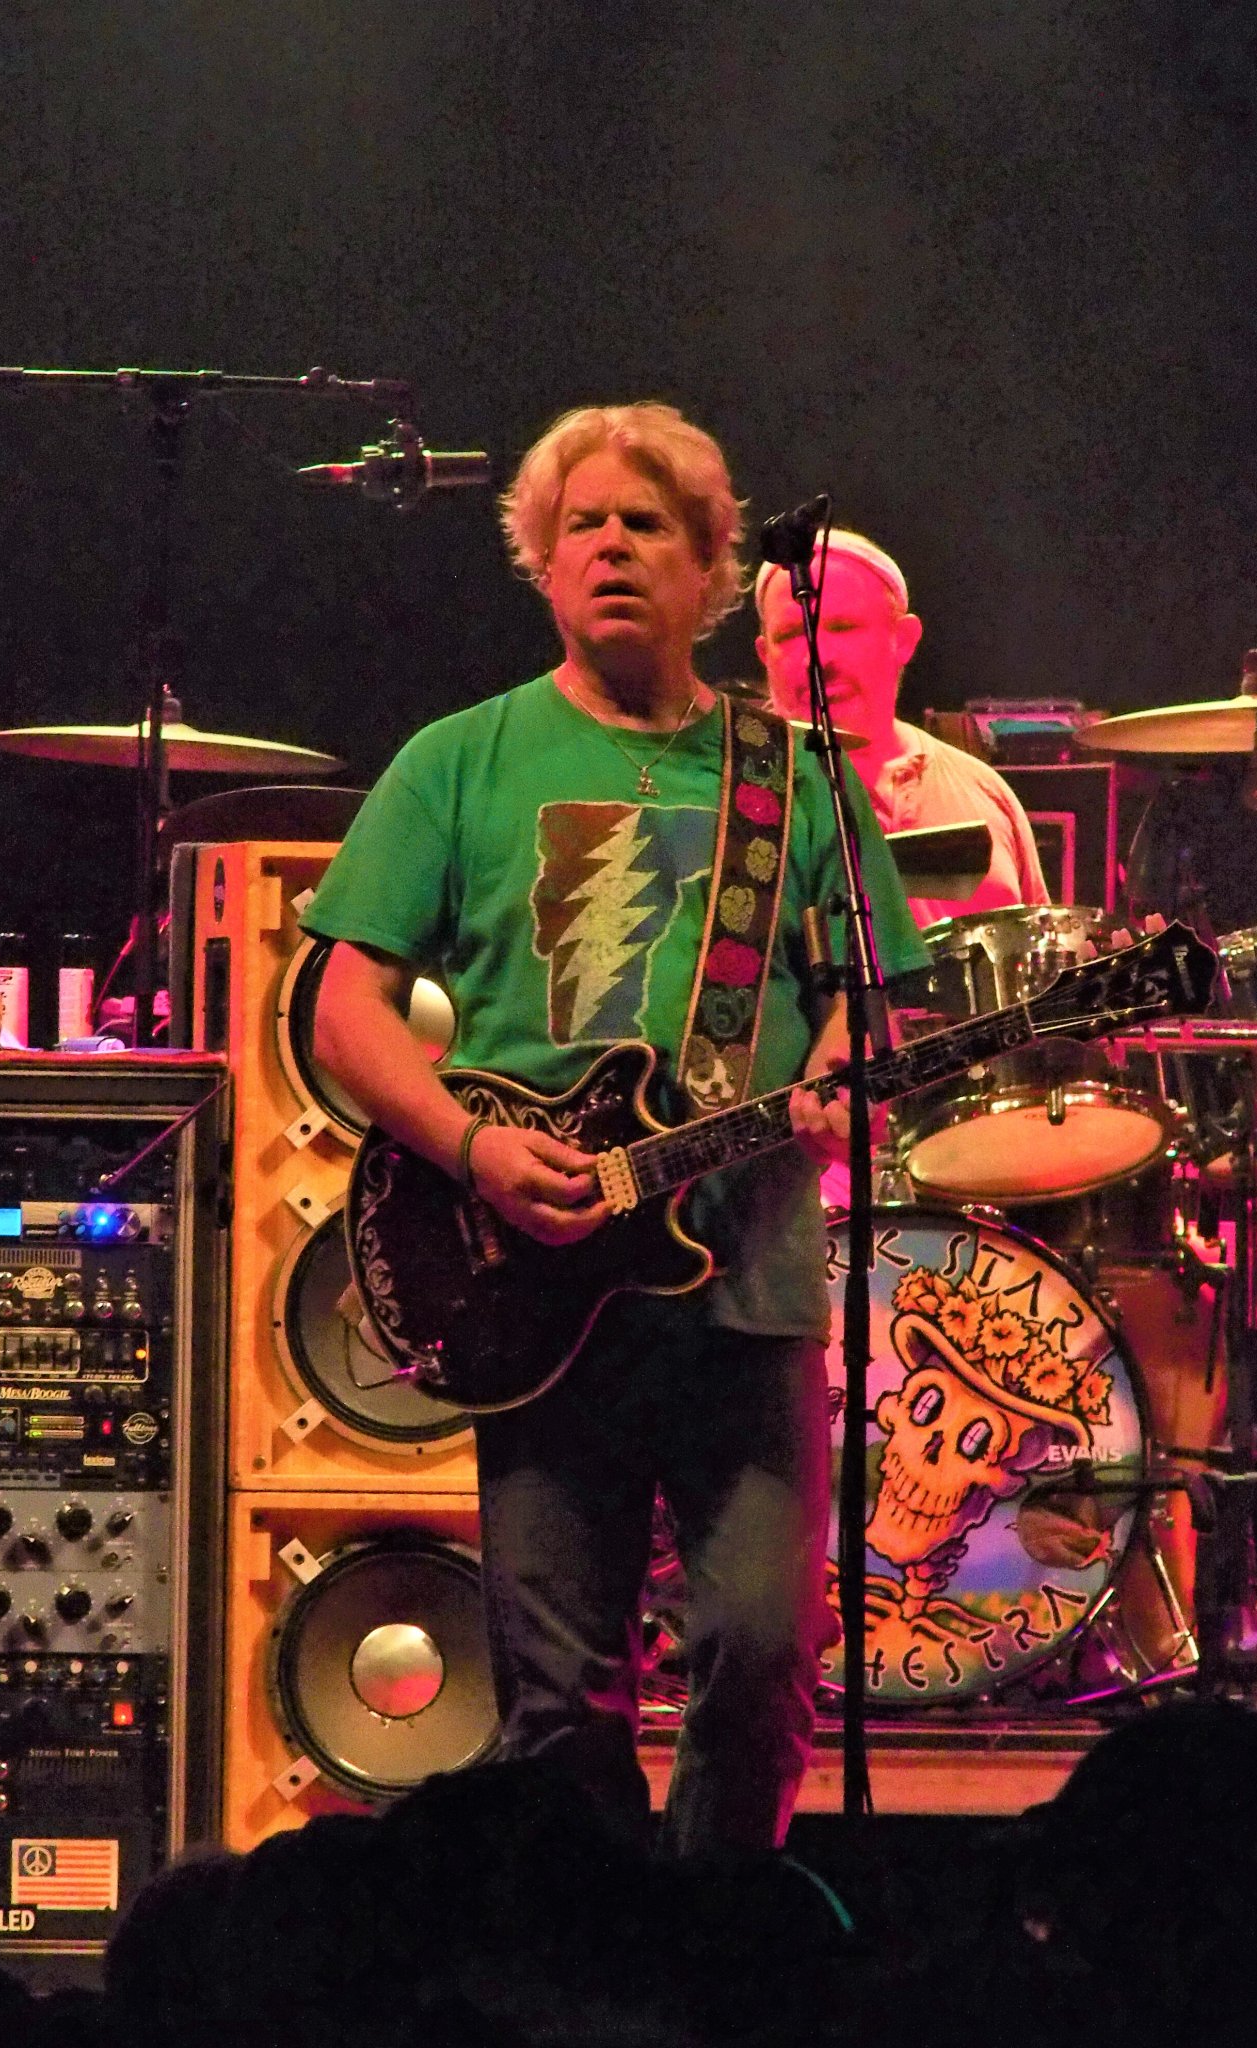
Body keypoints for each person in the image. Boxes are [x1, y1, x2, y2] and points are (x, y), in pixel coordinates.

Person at [305, 402, 928, 1854]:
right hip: (530, 1283)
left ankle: (712, 1943)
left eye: (644, 523)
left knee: (761, 1659)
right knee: (557, 1695)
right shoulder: (460, 758)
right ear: (540, 557)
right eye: (579, 523)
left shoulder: (796, 775)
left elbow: (873, 1012)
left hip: (749, 1286)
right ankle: (577, 1952)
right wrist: (472, 1148)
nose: (609, 545)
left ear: (712, 568)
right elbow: (343, 1011)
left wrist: (841, 1074)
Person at [755, 529, 1048, 929]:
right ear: (764, 655)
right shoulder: (731, 798)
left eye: (842, 627)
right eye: (790, 635)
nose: (817, 658)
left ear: (904, 640)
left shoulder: (986, 792)